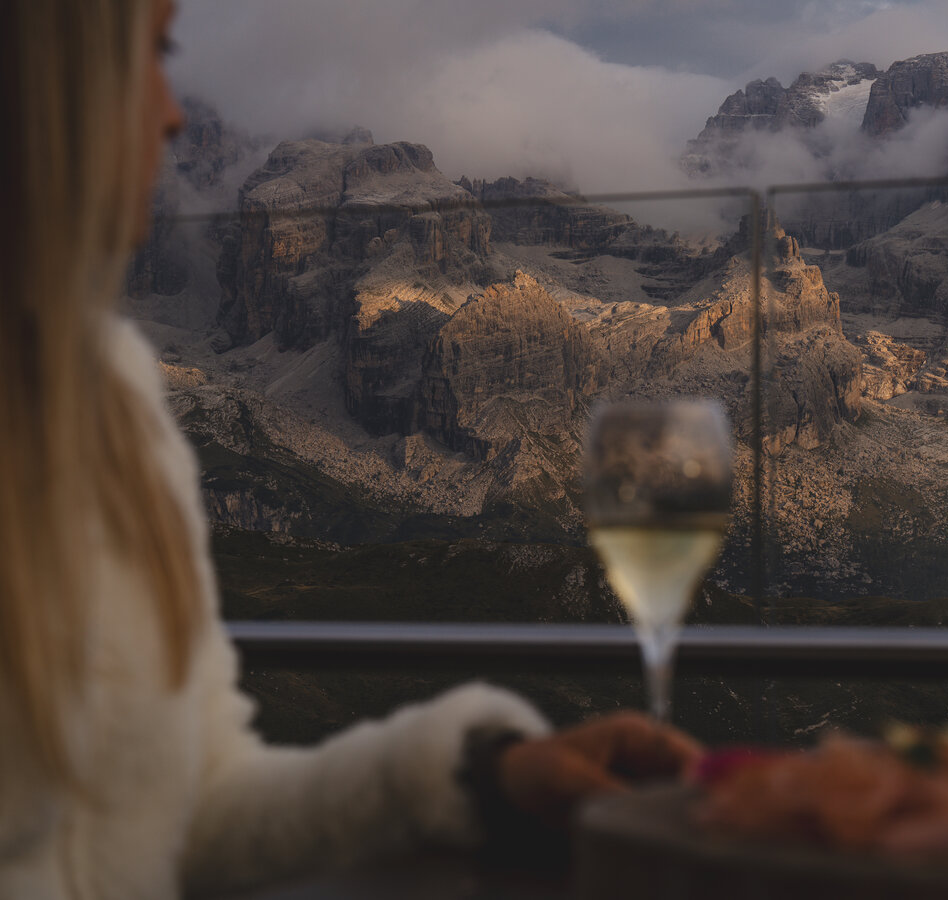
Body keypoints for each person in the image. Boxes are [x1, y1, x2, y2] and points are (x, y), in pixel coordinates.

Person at [0, 2, 701, 897]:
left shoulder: (111, 406)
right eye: (151, 56)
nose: (173, 112)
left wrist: (487, 776)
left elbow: (197, 812)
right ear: (48, 89)